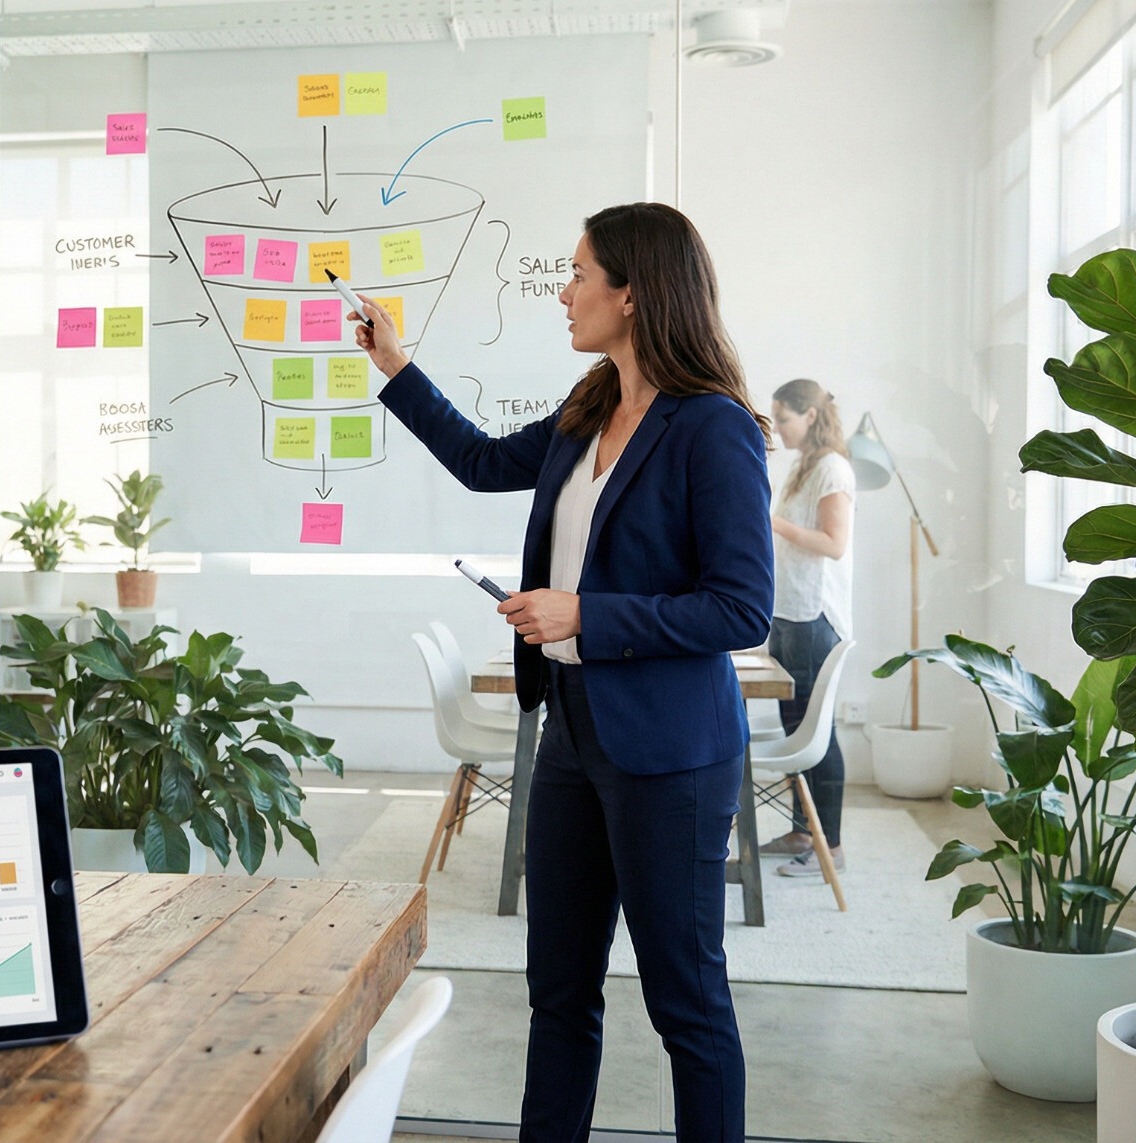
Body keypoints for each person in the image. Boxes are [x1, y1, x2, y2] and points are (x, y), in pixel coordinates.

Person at [353, 202, 772, 1143]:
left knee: (686, 1004)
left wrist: (585, 614)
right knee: (559, 993)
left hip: (671, 750)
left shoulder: (714, 429)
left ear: (633, 292)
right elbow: (476, 460)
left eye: (578, 274)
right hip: (574, 731)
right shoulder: (588, 409)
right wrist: (396, 364)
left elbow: (740, 607)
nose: (564, 291)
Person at [760, 378, 854, 876]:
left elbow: (833, 543)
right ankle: (804, 830)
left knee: (818, 733)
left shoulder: (833, 468)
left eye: (784, 419)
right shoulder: (805, 467)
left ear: (811, 416)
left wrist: (771, 524)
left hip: (816, 616)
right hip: (790, 610)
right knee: (792, 725)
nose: (778, 429)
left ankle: (830, 847)